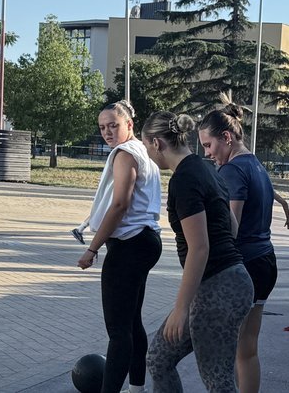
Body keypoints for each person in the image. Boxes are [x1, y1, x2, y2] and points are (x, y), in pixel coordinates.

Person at [142, 111, 254, 393]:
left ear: (157, 143)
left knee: (219, 381)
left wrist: (181, 309)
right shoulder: (206, 170)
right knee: (158, 358)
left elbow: (200, 248)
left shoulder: (184, 179)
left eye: (146, 148)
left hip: (220, 288)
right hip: (228, 284)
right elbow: (233, 227)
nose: (149, 155)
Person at [197, 101, 289, 393]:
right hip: (264, 262)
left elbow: (230, 227)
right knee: (246, 349)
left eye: (208, 144)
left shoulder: (233, 171)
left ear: (227, 137)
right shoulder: (255, 164)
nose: (207, 153)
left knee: (225, 350)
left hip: (245, 266)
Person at [75, 101, 163, 393]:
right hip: (144, 241)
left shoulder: (126, 154)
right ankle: (136, 388)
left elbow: (120, 204)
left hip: (129, 245)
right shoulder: (144, 152)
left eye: (114, 125)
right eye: (102, 127)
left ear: (129, 124)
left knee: (118, 331)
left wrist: (92, 249)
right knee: (132, 322)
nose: (108, 132)